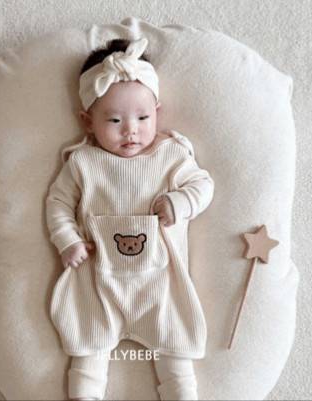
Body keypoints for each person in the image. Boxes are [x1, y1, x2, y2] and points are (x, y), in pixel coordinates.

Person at [46, 36, 214, 401]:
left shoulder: (171, 155)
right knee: (89, 340)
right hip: (99, 277)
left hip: (160, 280)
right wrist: (67, 240)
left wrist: (180, 201)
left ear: (157, 112)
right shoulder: (83, 163)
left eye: (142, 117)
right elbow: (57, 202)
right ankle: (84, 393)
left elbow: (203, 185)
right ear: (87, 121)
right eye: (114, 120)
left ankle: (181, 393)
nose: (131, 130)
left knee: (174, 343)